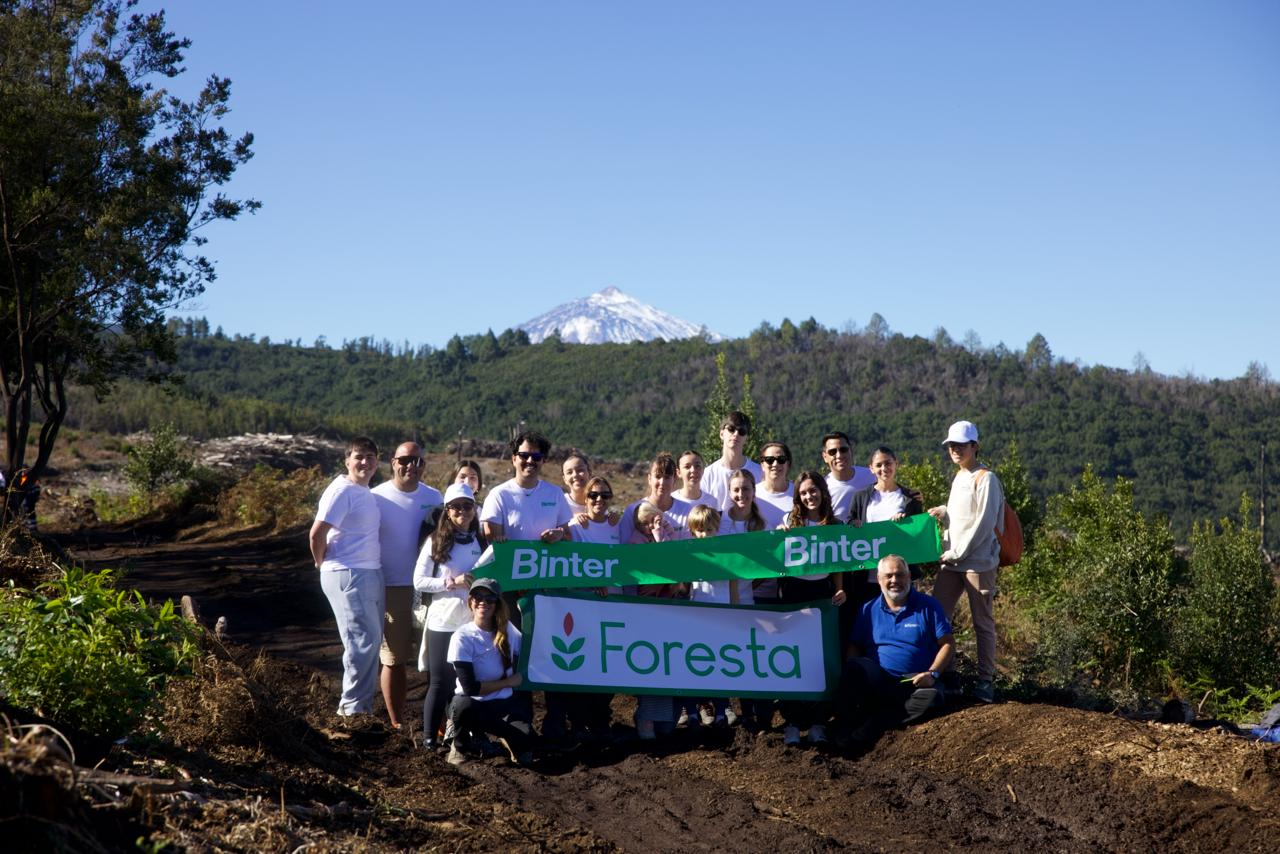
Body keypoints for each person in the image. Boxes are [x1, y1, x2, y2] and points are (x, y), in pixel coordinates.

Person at [839, 554, 955, 743]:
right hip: (878, 680)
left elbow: (948, 643)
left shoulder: (929, 606)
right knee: (853, 670)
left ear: (909, 576)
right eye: (889, 576)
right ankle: (852, 726)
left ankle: (878, 721)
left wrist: (932, 674)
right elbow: (854, 645)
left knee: (932, 697)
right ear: (878, 579)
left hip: (913, 681)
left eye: (900, 575)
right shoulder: (867, 609)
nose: (895, 580)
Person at [927, 420, 1003, 704]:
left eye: (960, 445)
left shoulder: (987, 478)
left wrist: (957, 552)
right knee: (937, 616)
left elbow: (984, 523)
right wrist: (944, 511)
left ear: (975, 446)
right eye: (951, 445)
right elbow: (964, 513)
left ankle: (985, 682)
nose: (955, 450)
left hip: (976, 563)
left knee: (982, 623)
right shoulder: (960, 477)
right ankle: (950, 675)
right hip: (953, 560)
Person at [309, 437, 383, 718]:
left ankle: (360, 707)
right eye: (359, 456)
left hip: (366, 571)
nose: (364, 462)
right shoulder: (341, 491)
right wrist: (321, 562)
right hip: (348, 572)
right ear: (347, 461)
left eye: (370, 456)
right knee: (361, 641)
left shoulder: (362, 491)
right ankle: (352, 711)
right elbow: (317, 533)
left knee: (370, 640)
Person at [371, 441, 442, 731]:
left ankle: (439, 721)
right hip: (393, 586)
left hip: (431, 588)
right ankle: (397, 721)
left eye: (417, 461)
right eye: (405, 459)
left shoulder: (435, 497)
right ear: (393, 461)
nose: (411, 465)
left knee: (436, 660)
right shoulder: (376, 497)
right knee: (394, 657)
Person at [777, 470, 847, 745]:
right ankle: (792, 722)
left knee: (821, 658)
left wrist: (840, 588)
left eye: (813, 491)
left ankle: (818, 721)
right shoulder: (790, 522)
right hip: (793, 592)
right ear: (798, 496)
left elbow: (839, 564)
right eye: (804, 492)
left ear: (822, 492)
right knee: (792, 657)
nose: (809, 496)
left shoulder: (835, 524)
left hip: (823, 595)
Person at [413, 482, 485, 750]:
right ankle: (429, 738)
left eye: (467, 506)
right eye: (456, 507)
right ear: (447, 510)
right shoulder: (435, 540)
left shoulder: (479, 540)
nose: (462, 512)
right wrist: (450, 582)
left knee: (467, 683)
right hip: (442, 621)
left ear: (474, 509)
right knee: (440, 682)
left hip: (470, 623)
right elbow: (418, 581)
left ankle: (464, 734)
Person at [479, 430, 572, 626]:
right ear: (514, 459)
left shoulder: (555, 494)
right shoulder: (499, 495)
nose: (530, 460)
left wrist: (559, 534)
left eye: (536, 457)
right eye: (524, 455)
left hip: (545, 583)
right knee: (510, 641)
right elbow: (490, 536)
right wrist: (499, 540)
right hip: (508, 585)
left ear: (543, 461)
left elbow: (568, 535)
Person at [445, 578, 533, 766]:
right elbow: (470, 688)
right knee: (462, 705)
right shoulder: (462, 637)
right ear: (471, 602)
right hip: (474, 705)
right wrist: (508, 683)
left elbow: (530, 650)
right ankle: (460, 745)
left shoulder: (508, 630)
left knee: (526, 743)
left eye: (489, 598)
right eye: (477, 597)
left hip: (504, 704)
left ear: (498, 604)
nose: (482, 602)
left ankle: (506, 737)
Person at [847, 446, 925, 606]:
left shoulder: (911, 498)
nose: (884, 468)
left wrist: (906, 522)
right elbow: (850, 525)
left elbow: (918, 533)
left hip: (899, 577)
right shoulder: (860, 497)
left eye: (888, 463)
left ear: (896, 464)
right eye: (879, 465)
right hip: (868, 576)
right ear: (871, 468)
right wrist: (854, 524)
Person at [620, 452, 688, 544]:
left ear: (675, 479)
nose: (662, 482)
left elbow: (690, 549)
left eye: (667, 477)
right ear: (649, 479)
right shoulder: (632, 511)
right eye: (658, 476)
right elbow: (624, 549)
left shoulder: (686, 511)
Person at [700, 411, 763, 511]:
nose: (736, 434)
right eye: (731, 429)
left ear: (746, 439)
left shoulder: (759, 473)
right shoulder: (707, 475)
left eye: (742, 431)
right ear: (721, 433)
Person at [822, 432, 875, 523]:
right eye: (832, 452)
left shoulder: (872, 476)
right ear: (825, 457)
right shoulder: (822, 488)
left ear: (851, 451)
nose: (839, 455)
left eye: (843, 450)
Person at [754, 441, 794, 530]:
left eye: (781, 459)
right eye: (769, 460)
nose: (775, 464)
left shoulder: (799, 494)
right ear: (762, 465)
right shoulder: (752, 494)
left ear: (788, 464)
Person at [671, 449, 714, 519]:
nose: (693, 470)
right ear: (678, 473)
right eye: (687, 467)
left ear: (703, 470)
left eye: (697, 466)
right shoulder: (671, 501)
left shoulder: (712, 502)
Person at [561, 451, 592, 516]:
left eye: (580, 470)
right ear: (565, 479)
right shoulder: (560, 504)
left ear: (589, 473)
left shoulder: (599, 502)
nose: (575, 475)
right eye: (569, 472)